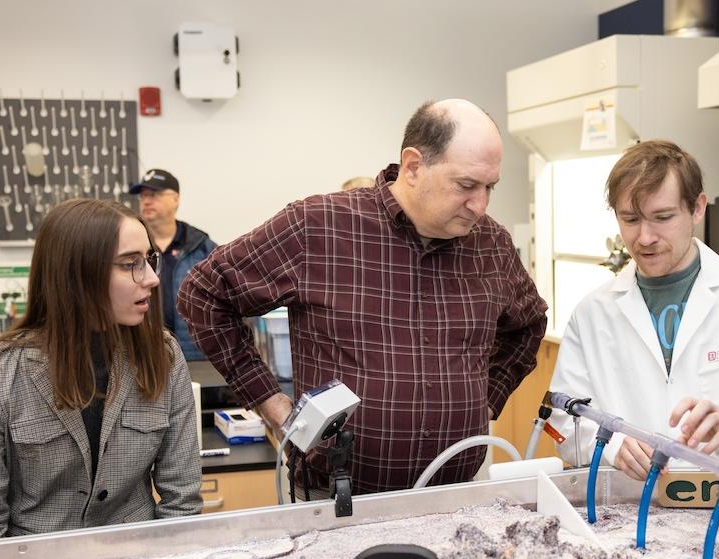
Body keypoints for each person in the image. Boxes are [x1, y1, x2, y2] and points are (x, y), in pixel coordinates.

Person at [179, 99, 548, 495]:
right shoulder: (318, 227)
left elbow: (528, 325)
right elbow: (203, 295)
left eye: (489, 187)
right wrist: (273, 405)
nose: (480, 205)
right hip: (339, 497)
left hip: (452, 495)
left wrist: (486, 403)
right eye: (466, 185)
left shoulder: (490, 244)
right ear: (412, 166)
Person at [549, 140, 719, 479]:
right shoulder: (592, 313)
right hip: (630, 508)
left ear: (697, 208)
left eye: (662, 217)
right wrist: (611, 445)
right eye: (630, 219)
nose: (644, 237)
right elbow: (563, 418)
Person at [0, 199, 202, 541]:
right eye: (130, 263)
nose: (152, 278)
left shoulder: (163, 356)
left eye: (149, 260)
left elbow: (182, 504)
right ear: (77, 274)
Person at [128, 168, 217, 361]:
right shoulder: (128, 249)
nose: (146, 201)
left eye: (154, 194)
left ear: (175, 199)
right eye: (143, 196)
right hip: (143, 358)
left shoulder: (203, 248)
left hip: (198, 361)